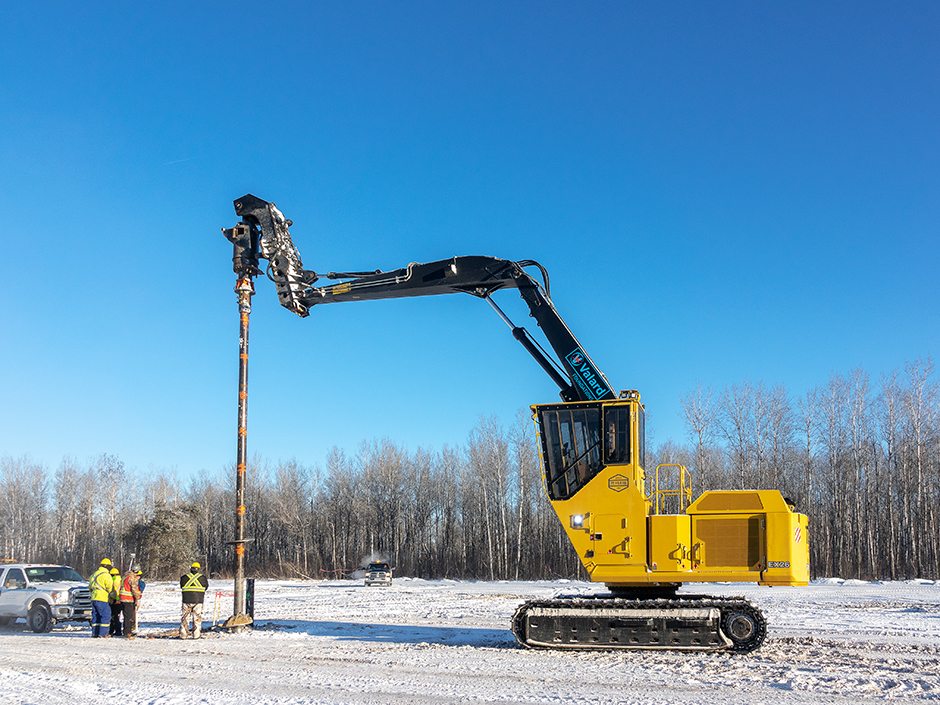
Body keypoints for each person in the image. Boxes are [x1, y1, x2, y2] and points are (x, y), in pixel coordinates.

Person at [179, 562, 208, 639]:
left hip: (186, 600)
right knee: (197, 617)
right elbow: (206, 587)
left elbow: (181, 586)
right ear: (198, 569)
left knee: (185, 617)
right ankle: (196, 634)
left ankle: (183, 633)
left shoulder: (184, 577)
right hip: (198, 600)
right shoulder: (203, 578)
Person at [88, 558, 115, 638]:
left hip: (93, 598)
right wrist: (113, 597)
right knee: (105, 615)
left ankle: (94, 633)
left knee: (96, 616)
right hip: (102, 598)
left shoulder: (93, 575)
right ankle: (103, 634)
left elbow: (90, 587)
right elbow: (110, 589)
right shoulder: (106, 575)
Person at [119, 564, 143, 638]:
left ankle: (126, 631)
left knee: (126, 616)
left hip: (122, 598)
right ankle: (127, 632)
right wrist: (138, 596)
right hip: (128, 599)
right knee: (129, 617)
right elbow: (134, 589)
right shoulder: (132, 578)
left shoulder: (125, 576)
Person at [108, 567, 123, 637]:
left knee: (114, 617)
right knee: (117, 617)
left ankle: (114, 630)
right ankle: (118, 630)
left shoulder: (112, 581)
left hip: (114, 601)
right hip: (120, 601)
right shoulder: (121, 580)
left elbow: (112, 592)